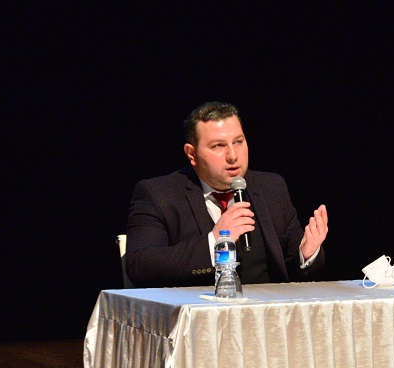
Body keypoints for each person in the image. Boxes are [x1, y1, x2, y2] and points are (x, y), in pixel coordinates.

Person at [124, 101, 328, 288]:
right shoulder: (159, 194)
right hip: (197, 312)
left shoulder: (271, 187)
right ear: (191, 154)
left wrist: (306, 254)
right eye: (218, 146)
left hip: (266, 312)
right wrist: (215, 241)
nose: (232, 156)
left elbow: (294, 271)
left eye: (238, 142)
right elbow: (140, 266)